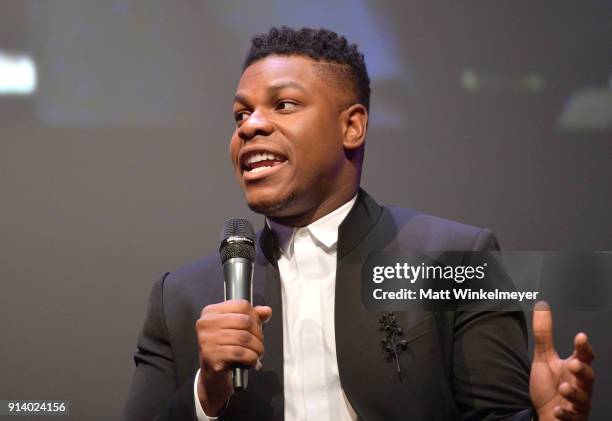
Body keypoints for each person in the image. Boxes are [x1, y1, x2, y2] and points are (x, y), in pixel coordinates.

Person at [122, 26, 595, 421]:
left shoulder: (456, 256)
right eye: (241, 113)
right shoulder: (182, 298)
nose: (249, 126)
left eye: (282, 105)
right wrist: (206, 393)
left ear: (353, 126)